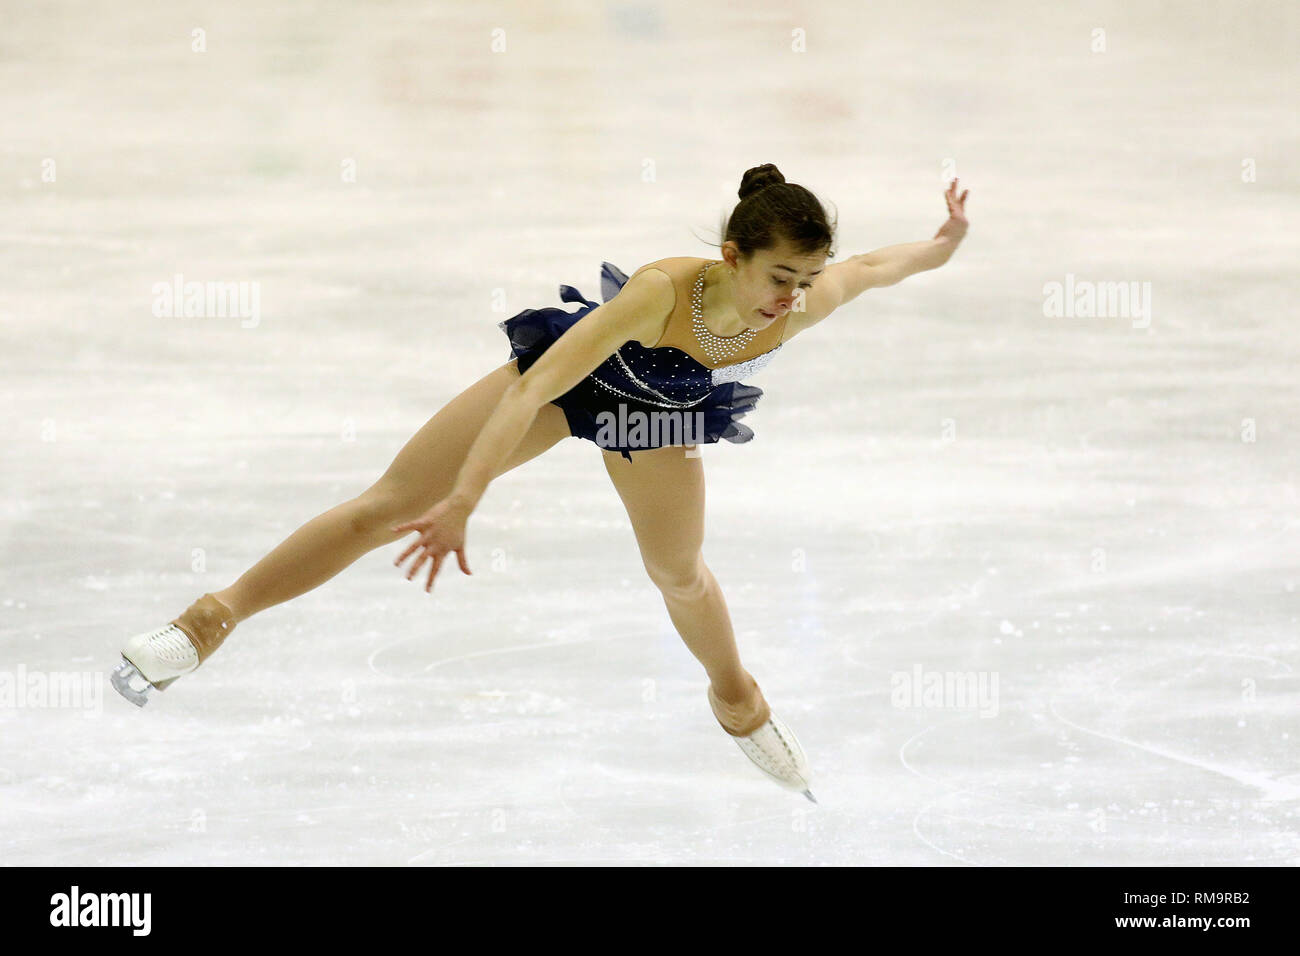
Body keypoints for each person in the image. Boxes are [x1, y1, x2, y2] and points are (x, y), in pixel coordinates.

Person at [111, 163, 970, 801]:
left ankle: (737, 698)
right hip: (568, 388)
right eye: (780, 276)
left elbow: (873, 270)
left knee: (678, 574)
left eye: (805, 280)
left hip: (657, 420)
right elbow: (530, 388)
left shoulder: (810, 298)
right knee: (389, 507)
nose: (793, 296)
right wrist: (464, 498)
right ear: (732, 254)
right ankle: (205, 622)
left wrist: (939, 246)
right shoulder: (658, 293)